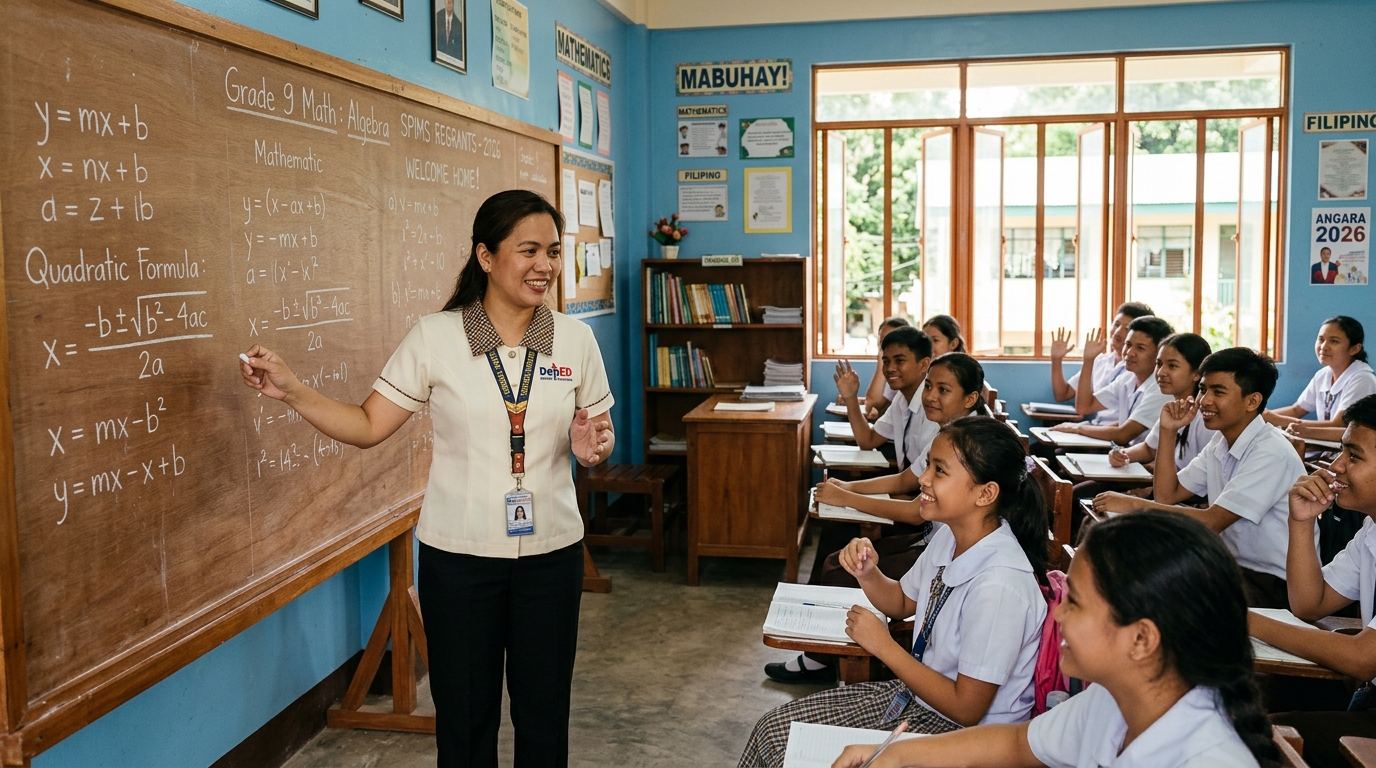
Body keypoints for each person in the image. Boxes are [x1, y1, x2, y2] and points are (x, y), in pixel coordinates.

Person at [239, 190, 614, 767]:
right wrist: (294, 391)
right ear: (486, 257)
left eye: (554, 253)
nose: (545, 266)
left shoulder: (574, 340)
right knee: (464, 725)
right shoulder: (435, 338)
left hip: (551, 556)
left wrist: (594, 449)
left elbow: (596, 436)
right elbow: (368, 424)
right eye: (529, 250)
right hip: (459, 560)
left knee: (545, 718)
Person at [831, 512, 1279, 768]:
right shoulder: (1115, 699)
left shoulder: (1207, 761)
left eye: (1076, 603)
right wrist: (893, 756)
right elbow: (1017, 744)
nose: (1057, 613)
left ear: (1142, 638)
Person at [742, 418, 1049, 766]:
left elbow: (967, 710)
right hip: (916, 700)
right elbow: (902, 602)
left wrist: (884, 646)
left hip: (963, 736)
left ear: (985, 493)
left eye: (940, 470)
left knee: (787, 746)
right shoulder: (951, 536)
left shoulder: (1000, 585)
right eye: (929, 464)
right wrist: (868, 573)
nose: (923, 479)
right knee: (773, 729)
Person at [1093, 348, 1311, 608]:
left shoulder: (1270, 451)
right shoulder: (1222, 440)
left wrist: (1132, 506)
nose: (1204, 401)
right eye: (1203, 389)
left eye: (1218, 392)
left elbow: (1211, 522)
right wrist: (1168, 431)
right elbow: (1167, 495)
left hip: (1271, 584)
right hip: (1229, 566)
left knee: (1154, 592)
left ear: (1252, 401)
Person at [1252, 395, 1376, 768]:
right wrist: (1302, 522)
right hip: (1368, 696)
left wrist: (1246, 621)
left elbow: (1361, 659)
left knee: (1261, 737)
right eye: (1341, 451)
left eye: (1354, 456)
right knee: (1246, 698)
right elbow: (1310, 604)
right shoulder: (1371, 529)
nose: (1336, 466)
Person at [1052, 316, 1174, 446]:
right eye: (1128, 345)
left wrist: (1077, 428)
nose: (1129, 353)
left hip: (1142, 461)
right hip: (1124, 454)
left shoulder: (1161, 389)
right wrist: (1088, 360)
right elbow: (1084, 406)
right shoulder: (1127, 378)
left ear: (1159, 354)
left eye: (1140, 348)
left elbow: (1124, 435)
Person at [1107, 332, 1216, 472]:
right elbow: (1149, 448)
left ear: (1196, 373)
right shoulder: (1174, 407)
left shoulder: (1204, 418)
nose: (1161, 372)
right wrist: (1123, 455)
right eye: (1159, 364)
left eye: (1172, 366)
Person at [1266, 316, 1376, 437]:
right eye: (1321, 339)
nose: (1324, 346)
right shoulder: (1323, 375)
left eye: (1334, 341)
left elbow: (1339, 425)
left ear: (1354, 349)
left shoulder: (1363, 379)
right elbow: (1296, 410)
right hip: (1326, 448)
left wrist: (1278, 420)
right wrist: (1260, 417)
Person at [1047, 302, 1155, 415]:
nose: (1117, 332)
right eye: (1116, 324)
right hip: (1096, 426)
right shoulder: (1100, 361)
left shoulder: (1138, 368)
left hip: (1115, 430)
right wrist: (1056, 360)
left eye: (1127, 329)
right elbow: (1062, 394)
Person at [854, 317, 911, 420]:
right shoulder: (888, 369)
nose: (885, 346)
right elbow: (872, 405)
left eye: (891, 340)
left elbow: (872, 403)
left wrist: (881, 360)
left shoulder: (905, 371)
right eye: (882, 341)